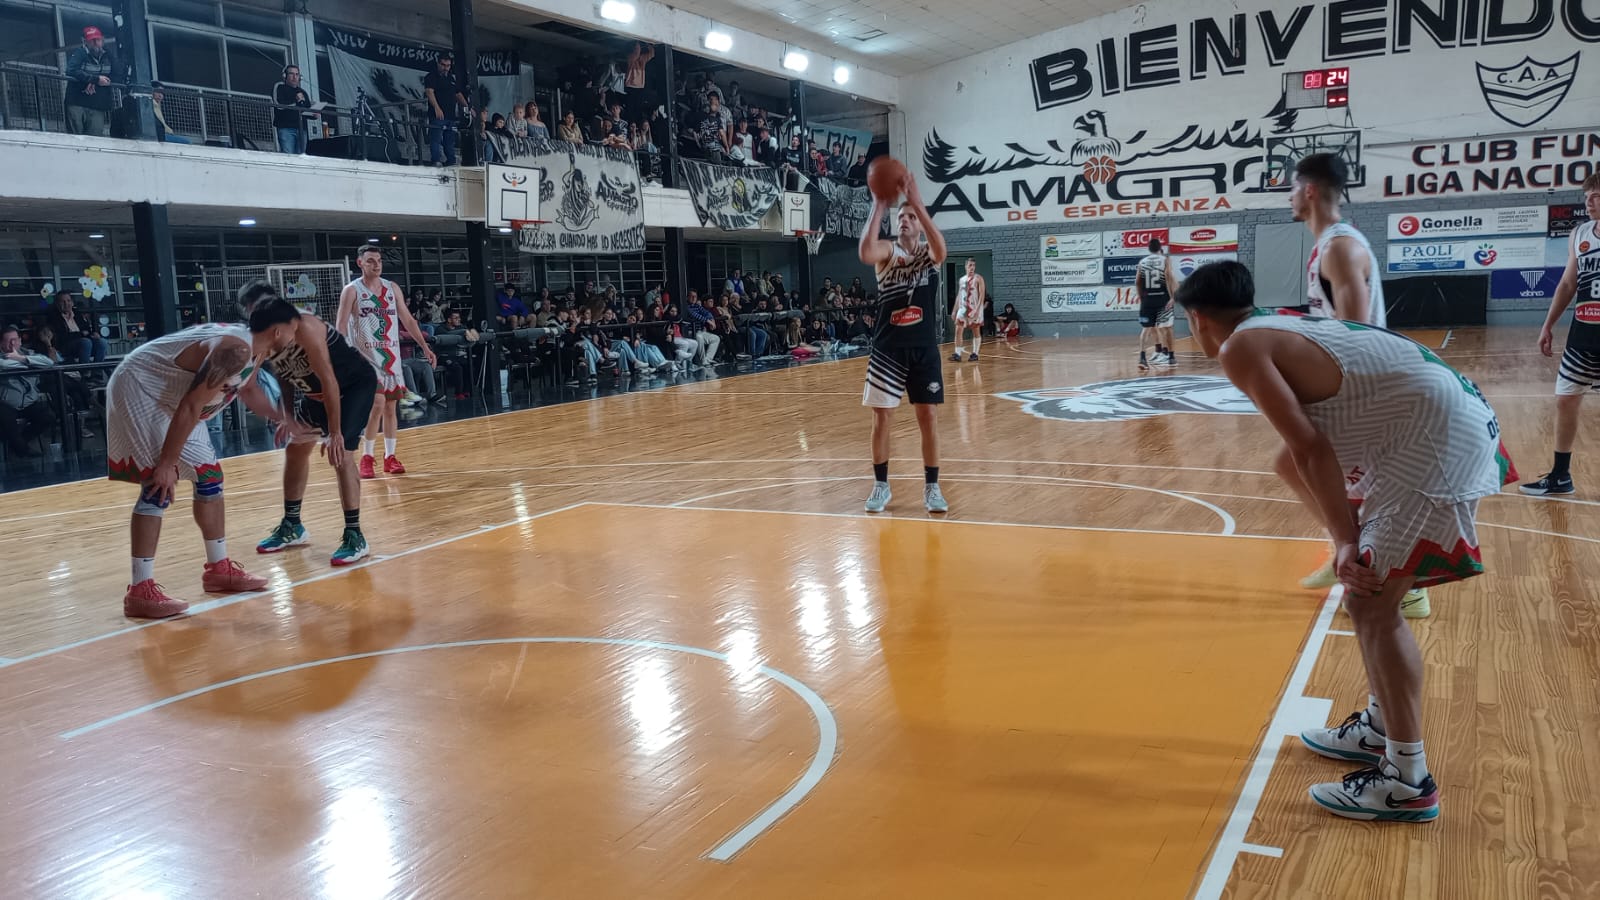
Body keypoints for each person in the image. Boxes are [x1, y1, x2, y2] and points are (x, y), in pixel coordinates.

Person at [1177, 260, 1516, 821]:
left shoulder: (1240, 347)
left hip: (1433, 442)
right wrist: (1348, 537)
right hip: (1444, 421)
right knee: (1305, 493)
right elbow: (1295, 457)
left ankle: (1407, 781)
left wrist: (1343, 541)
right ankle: (1381, 728)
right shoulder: (1274, 322)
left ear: (1198, 319)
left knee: (1371, 603)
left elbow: (1312, 446)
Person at [1287, 153, 1432, 616]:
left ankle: (1404, 584)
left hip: (1365, 387)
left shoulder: (1340, 248)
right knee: (1298, 464)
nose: (1289, 197)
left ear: (1309, 190)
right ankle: (1348, 551)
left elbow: (1357, 333)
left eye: (1292, 188)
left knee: (1319, 471)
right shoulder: (1329, 245)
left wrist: (1332, 394)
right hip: (1353, 385)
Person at [103, 322, 271, 618]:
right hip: (141, 388)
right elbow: (191, 405)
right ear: (278, 331)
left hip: (173, 398)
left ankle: (219, 569)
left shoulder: (257, 350)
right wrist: (167, 463)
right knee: (157, 483)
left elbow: (248, 389)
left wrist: (285, 419)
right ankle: (140, 591)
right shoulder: (235, 349)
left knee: (209, 476)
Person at [240, 283, 378, 567]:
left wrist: (335, 433)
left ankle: (355, 536)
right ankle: (293, 525)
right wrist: (288, 417)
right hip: (316, 394)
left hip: (351, 388)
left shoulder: (305, 328)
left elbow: (329, 380)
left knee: (341, 455)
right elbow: (284, 373)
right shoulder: (266, 332)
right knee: (295, 448)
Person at [859, 171, 949, 514]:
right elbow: (866, 251)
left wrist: (918, 205)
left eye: (910, 217)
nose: (905, 220)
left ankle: (932, 487)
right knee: (882, 418)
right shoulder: (887, 250)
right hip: (888, 349)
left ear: (920, 224)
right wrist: (879, 205)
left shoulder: (928, 253)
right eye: (902, 217)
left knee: (928, 416)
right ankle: (881, 485)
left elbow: (941, 250)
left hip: (923, 347)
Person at [1523, 172, 1600, 497]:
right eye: (1586, 196)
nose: (1588, 202)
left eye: (1596, 195)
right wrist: (1548, 324)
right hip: (1583, 333)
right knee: (1566, 399)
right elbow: (1569, 283)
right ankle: (1560, 475)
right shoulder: (1580, 233)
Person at [336, 245, 435, 480]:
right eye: (371, 261)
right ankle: (367, 457)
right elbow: (340, 327)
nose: (376, 265)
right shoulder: (352, 290)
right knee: (377, 404)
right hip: (364, 359)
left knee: (391, 408)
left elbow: (407, 320)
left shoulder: (392, 288)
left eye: (379, 260)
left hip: (391, 356)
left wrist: (424, 346)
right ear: (360, 263)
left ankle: (390, 456)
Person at [1135, 238, 1176, 369]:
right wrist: (1173, 297)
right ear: (1160, 248)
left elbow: (1137, 282)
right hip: (1162, 299)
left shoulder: (1142, 262)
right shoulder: (1165, 260)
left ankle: (1142, 358)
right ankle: (1170, 356)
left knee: (1146, 329)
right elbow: (1169, 277)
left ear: (1149, 248)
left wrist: (1141, 297)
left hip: (1147, 300)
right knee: (1166, 328)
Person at [424, 53, 468, 167]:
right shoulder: (431, 76)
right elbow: (429, 92)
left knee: (449, 140)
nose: (445, 68)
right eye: (443, 65)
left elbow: (458, 94)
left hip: (450, 115)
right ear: (438, 64)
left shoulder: (451, 78)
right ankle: (436, 161)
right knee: (436, 139)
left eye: (448, 65)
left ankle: (451, 161)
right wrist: (437, 107)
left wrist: (467, 107)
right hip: (437, 114)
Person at [950, 258, 985, 362]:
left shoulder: (978, 278)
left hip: (974, 307)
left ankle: (975, 353)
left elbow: (982, 295)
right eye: (970, 265)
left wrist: (977, 310)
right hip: (963, 308)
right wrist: (954, 310)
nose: (972, 267)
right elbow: (959, 295)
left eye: (973, 265)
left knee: (976, 331)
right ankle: (957, 354)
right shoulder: (962, 280)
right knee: (958, 330)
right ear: (966, 266)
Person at [272, 65, 312, 155]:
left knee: (302, 157)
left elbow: (306, 109)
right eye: (291, 74)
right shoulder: (279, 87)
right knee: (288, 155)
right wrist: (296, 101)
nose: (295, 77)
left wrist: (314, 115)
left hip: (302, 129)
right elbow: (278, 105)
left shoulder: (303, 92)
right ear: (285, 76)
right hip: (286, 128)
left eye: (297, 74)